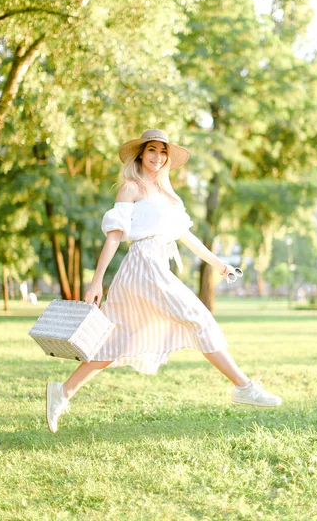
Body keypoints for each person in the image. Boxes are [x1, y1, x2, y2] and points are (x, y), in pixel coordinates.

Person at [46, 129, 282, 433]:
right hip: (142, 265)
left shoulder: (169, 196)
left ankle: (62, 392)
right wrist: (96, 282)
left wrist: (219, 264)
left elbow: (186, 236)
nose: (157, 157)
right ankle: (243, 386)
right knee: (197, 318)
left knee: (118, 340)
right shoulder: (131, 188)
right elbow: (115, 236)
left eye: (163, 152)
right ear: (141, 154)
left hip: (156, 265)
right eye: (152, 151)